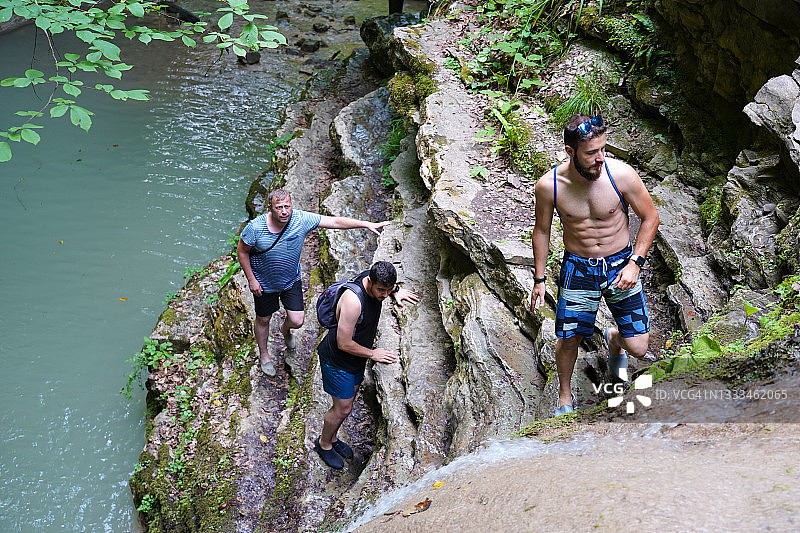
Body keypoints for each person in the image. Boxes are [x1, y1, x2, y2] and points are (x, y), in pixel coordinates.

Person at [529, 114, 660, 417]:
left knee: (638, 348)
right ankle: (564, 397)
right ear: (570, 151)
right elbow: (542, 230)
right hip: (578, 267)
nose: (599, 158)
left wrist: (635, 264)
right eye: (591, 153)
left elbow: (650, 218)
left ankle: (614, 339)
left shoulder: (621, 175)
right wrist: (539, 279)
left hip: (621, 264)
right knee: (569, 336)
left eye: (603, 149)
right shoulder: (550, 186)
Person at [236, 189, 389, 377]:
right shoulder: (255, 228)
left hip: (290, 280)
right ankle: (265, 355)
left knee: (297, 320)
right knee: (264, 319)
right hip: (264, 283)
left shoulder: (300, 219)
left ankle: (285, 330)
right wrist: (252, 280)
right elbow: (242, 251)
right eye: (279, 208)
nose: (284, 211)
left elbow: (333, 221)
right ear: (270, 208)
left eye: (287, 207)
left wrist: (364, 224)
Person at [313, 261, 418, 469]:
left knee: (347, 404)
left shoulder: (377, 282)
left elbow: (386, 286)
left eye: (388, 290)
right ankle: (323, 443)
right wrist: (373, 354)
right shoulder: (353, 302)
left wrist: (396, 291)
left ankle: (333, 439)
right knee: (343, 408)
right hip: (337, 360)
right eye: (381, 290)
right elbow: (343, 343)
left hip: (355, 359)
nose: (384, 295)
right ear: (370, 282)